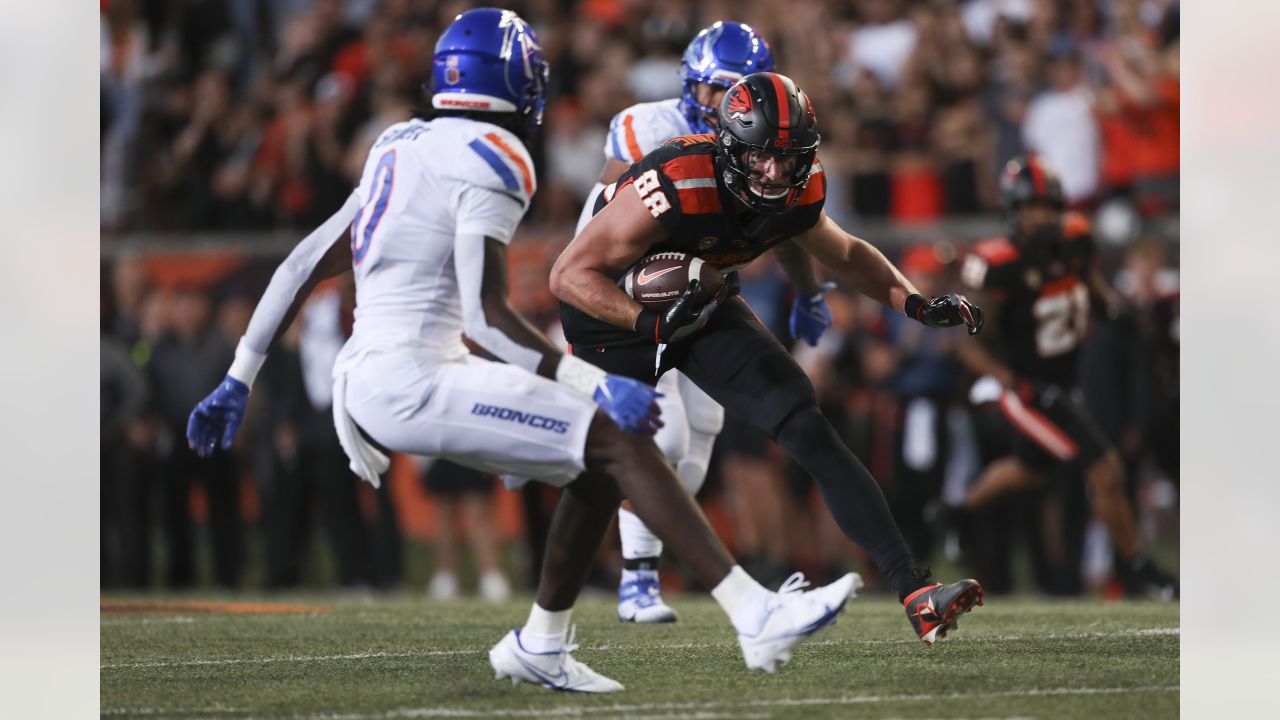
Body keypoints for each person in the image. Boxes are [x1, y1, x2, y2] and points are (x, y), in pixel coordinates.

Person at [185, 9, 857, 693]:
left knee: (595, 467)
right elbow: (489, 313)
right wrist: (589, 381)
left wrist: (238, 375)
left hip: (386, 369)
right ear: (512, 80)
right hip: (414, 379)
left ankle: (542, 643)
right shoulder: (497, 157)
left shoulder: (396, 141)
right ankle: (754, 611)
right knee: (620, 437)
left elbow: (303, 262)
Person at [552, 71, 986, 646]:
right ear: (730, 145)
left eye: (789, 157)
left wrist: (915, 302)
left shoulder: (798, 190)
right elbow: (568, 274)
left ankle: (915, 591)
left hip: (699, 299)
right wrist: (646, 322)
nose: (776, 172)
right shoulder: (679, 179)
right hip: (612, 315)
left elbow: (848, 252)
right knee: (610, 471)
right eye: (761, 157)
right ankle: (553, 623)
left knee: (804, 423)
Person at [574, 21, 838, 624]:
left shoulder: (762, 142)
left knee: (701, 440)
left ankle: (643, 570)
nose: (720, 104)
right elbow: (618, 216)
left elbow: (784, 217)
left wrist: (807, 289)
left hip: (705, 295)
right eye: (713, 89)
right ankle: (637, 581)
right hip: (640, 286)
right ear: (691, 85)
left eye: (734, 90)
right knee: (661, 435)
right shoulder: (646, 126)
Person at [955, 154, 1177, 599]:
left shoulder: (1076, 238)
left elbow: (1093, 288)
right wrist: (1009, 380)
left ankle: (954, 512)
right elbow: (968, 343)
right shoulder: (996, 264)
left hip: (1064, 382)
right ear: (1013, 211)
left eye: (1047, 206)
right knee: (1106, 470)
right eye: (1031, 207)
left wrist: (1114, 309)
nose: (1041, 216)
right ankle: (1139, 568)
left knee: (1029, 471)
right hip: (1029, 388)